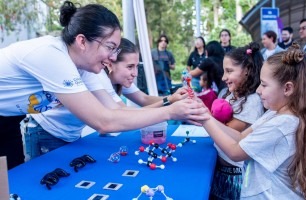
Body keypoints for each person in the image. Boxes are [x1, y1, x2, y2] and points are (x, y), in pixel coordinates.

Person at [0, 1, 207, 166]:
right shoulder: (52, 55)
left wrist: (171, 104)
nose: (112, 57)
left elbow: (117, 110)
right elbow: (104, 122)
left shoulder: (84, 66)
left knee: (10, 181)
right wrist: (171, 111)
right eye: (110, 47)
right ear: (82, 41)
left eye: (116, 50)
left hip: (9, 118)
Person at [24, 38, 189, 159]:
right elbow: (120, 113)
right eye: (130, 67)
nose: (135, 73)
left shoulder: (120, 77)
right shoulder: (98, 77)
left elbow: (144, 99)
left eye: (136, 67)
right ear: (110, 64)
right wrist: (170, 108)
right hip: (46, 131)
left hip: (71, 133)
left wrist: (173, 99)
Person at [203, 43, 306, 199]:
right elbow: (241, 138)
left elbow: (236, 152)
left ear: (287, 88)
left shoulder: (282, 125)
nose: (258, 90)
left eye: (264, 85)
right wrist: (206, 116)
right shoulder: (274, 113)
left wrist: (203, 118)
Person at [209, 42, 265, 200]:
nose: (223, 77)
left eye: (229, 71)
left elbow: (225, 132)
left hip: (233, 175)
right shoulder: (228, 94)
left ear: (247, 70)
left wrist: (203, 116)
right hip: (219, 167)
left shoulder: (252, 101)